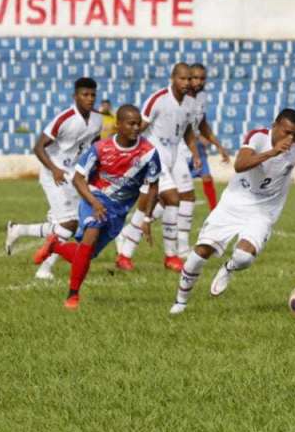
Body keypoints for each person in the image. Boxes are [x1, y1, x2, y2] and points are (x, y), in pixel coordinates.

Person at [169, 109, 295, 315]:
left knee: (243, 257)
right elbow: (239, 165)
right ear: (274, 125)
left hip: (263, 211)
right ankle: (180, 303)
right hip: (234, 204)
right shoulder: (257, 137)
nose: (291, 138)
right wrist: (272, 152)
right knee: (200, 253)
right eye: (286, 132)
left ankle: (229, 268)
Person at [33, 105, 161, 309]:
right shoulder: (101, 148)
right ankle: (73, 295)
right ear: (118, 125)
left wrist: (146, 218)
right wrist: (94, 202)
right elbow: (78, 178)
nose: (137, 127)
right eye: (131, 123)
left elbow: (153, 186)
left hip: (119, 209)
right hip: (95, 198)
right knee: (90, 233)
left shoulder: (149, 152)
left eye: (138, 123)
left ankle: (54, 246)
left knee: (86, 255)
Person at [4, 78, 103, 279]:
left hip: (75, 176)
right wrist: (55, 169)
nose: (90, 99)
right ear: (75, 96)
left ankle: (19, 230)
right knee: (69, 225)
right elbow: (38, 146)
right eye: (85, 94)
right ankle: (44, 269)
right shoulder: (64, 118)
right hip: (54, 175)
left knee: (72, 226)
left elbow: (95, 145)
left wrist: (94, 171)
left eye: (93, 95)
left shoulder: (98, 119)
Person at [114, 63, 199, 272]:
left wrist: (194, 152)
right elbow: (138, 127)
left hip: (173, 156)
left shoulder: (190, 103)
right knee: (173, 198)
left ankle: (125, 252)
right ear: (173, 78)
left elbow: (187, 129)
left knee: (146, 205)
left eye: (190, 79)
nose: (187, 83)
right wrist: (124, 151)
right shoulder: (158, 99)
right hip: (152, 156)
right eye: (183, 78)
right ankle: (172, 256)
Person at [176, 63, 231, 255]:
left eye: (202, 78)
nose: (198, 82)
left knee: (194, 189)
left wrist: (218, 145)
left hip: (193, 147)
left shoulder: (200, 97)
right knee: (172, 198)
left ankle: (214, 214)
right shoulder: (179, 98)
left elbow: (202, 124)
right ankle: (136, 229)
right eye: (194, 78)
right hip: (179, 150)